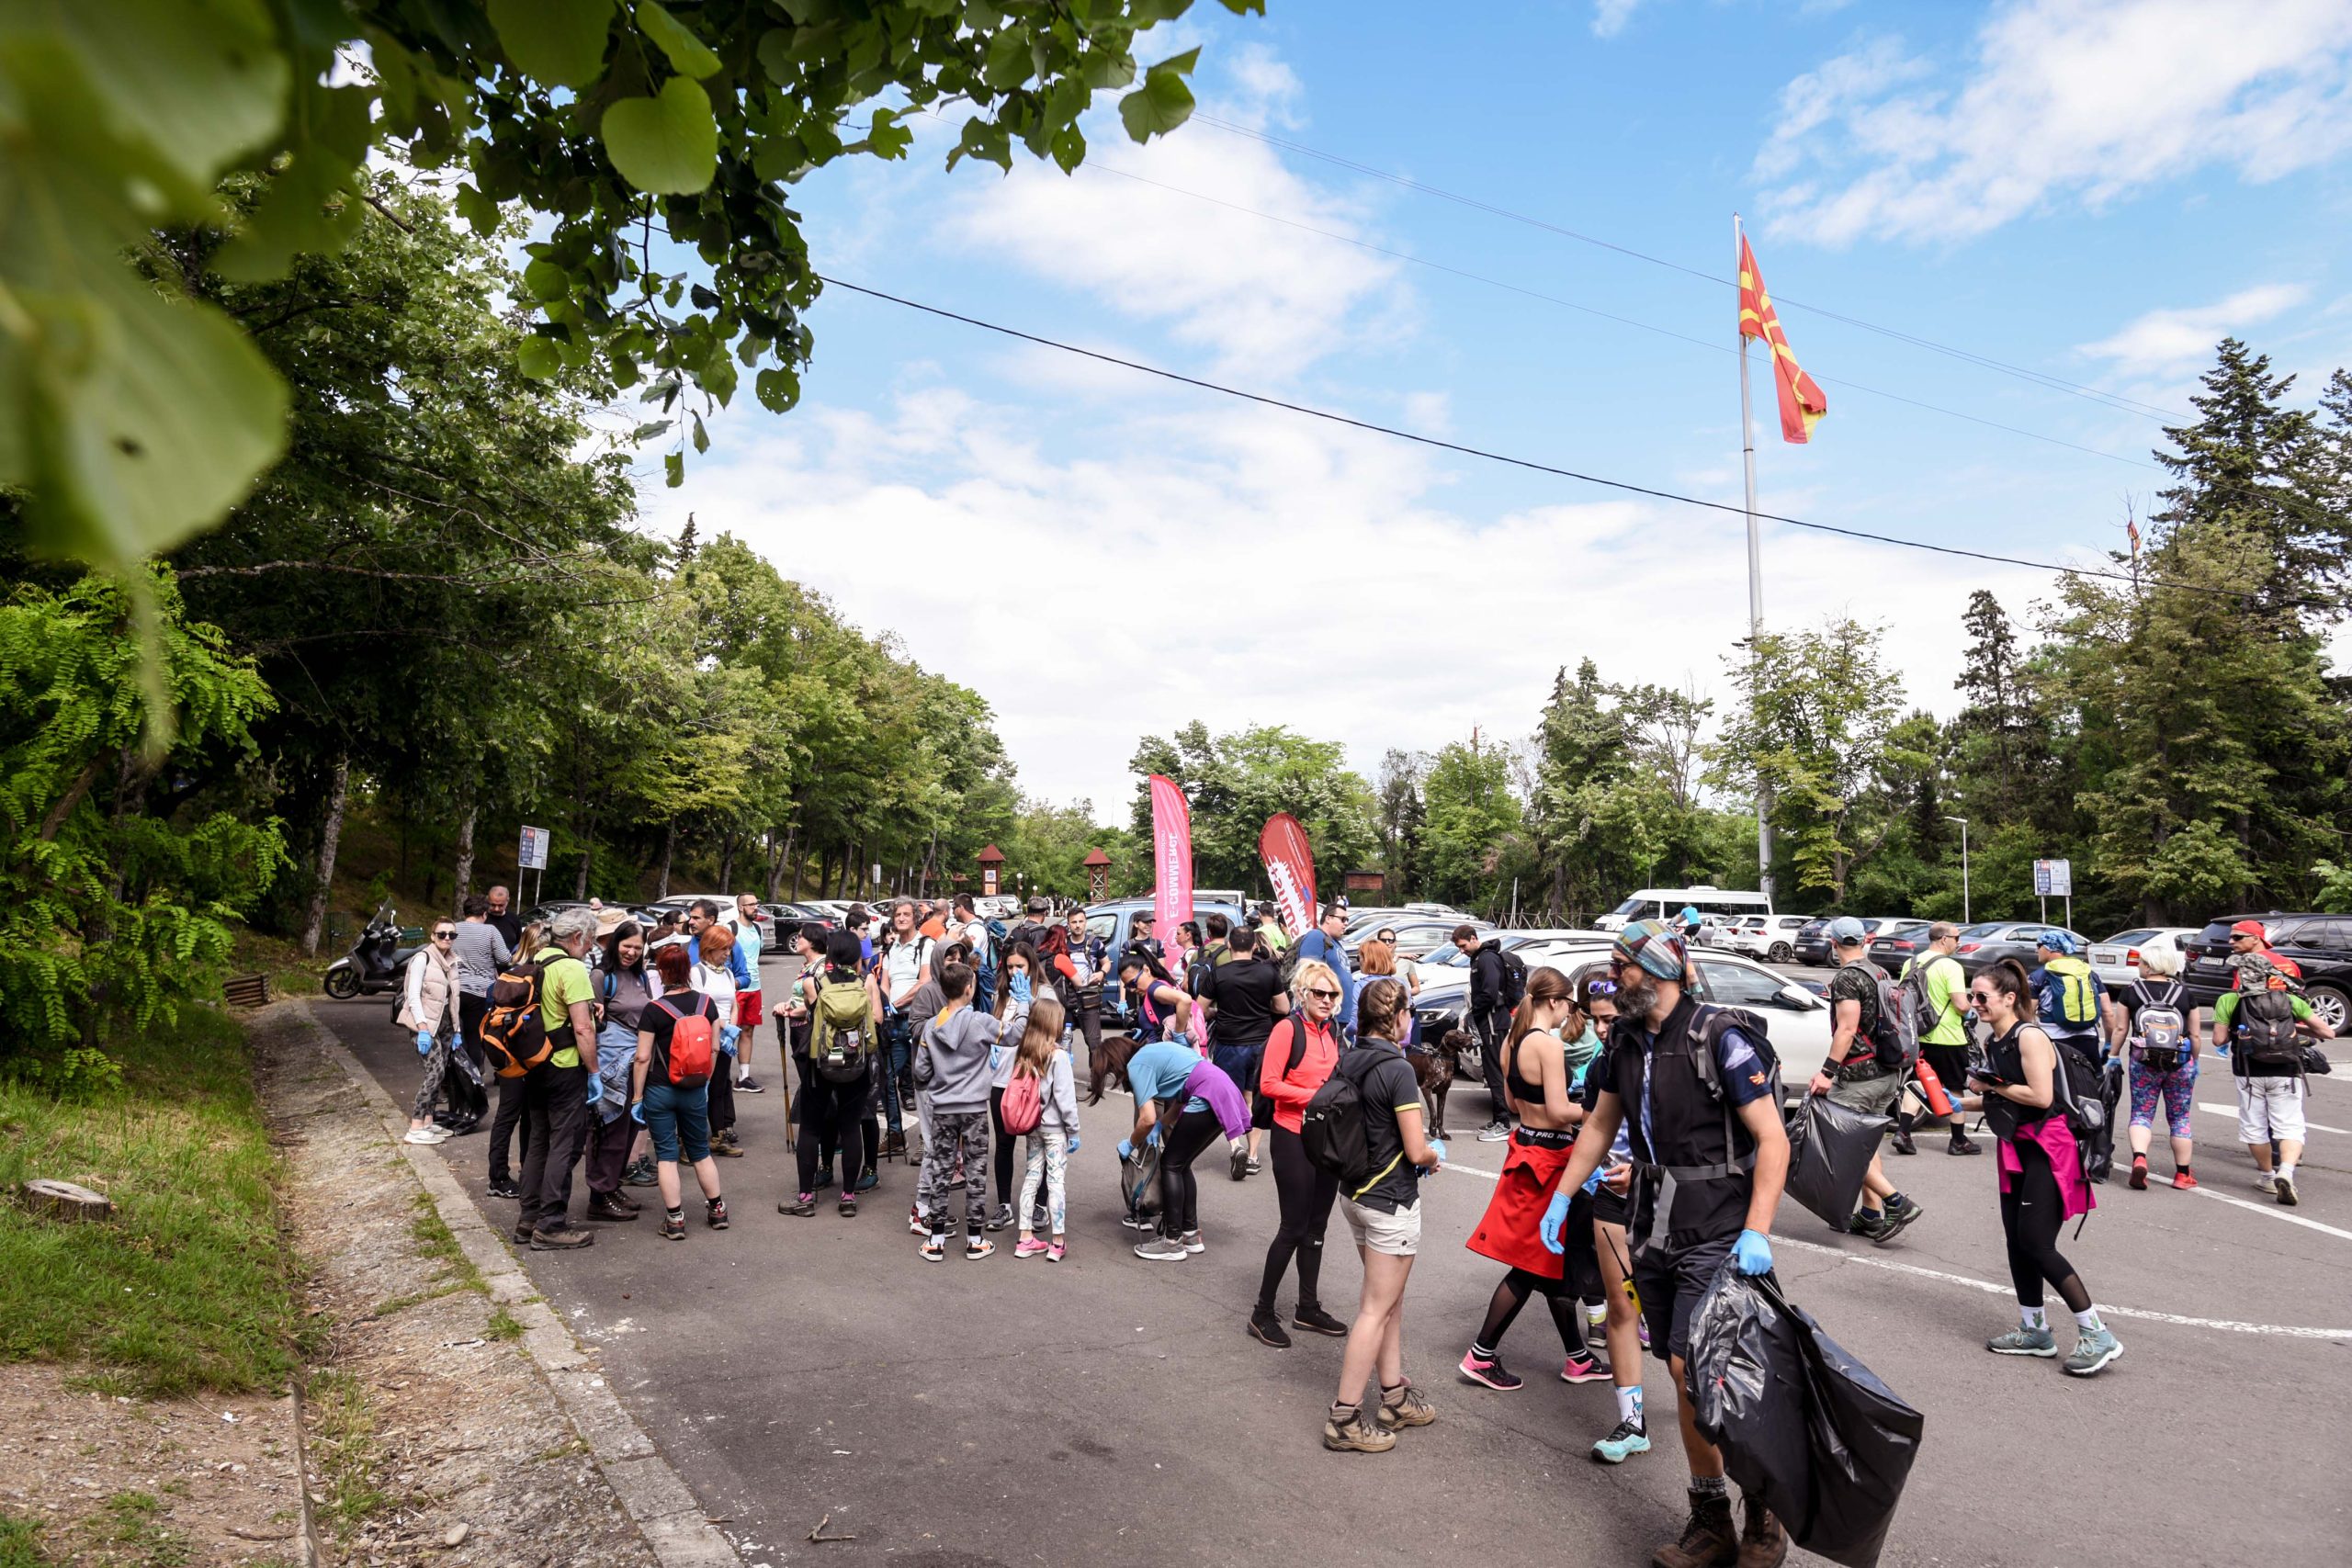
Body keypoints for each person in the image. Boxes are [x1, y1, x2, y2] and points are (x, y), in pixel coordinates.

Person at [1543, 919, 1791, 1567]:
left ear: (1656, 970)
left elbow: (1773, 1139)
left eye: (1620, 966)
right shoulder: (1624, 1043)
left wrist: (1757, 1230)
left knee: (1695, 1368)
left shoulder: (1719, 1037)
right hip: (1654, 1228)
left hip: (1721, 1230)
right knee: (1685, 1376)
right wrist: (1562, 1196)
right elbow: (1600, 1125)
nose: (1612, 978)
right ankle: (1712, 1520)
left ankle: (1762, 1508)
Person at [1960, 959, 2120, 1376]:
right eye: (1973, 996)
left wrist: (1991, 1085)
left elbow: (2040, 1096)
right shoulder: (1995, 1040)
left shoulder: (2028, 1036)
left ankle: (2097, 1333)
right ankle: (2034, 1330)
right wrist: (1956, 1102)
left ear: (2009, 998)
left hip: (2049, 1148)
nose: (1975, 1003)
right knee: (2016, 1242)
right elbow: (2002, 1098)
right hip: (2018, 1147)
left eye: (1982, 996)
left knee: (2036, 1243)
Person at [1459, 964, 1611, 1393]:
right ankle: (1481, 1354)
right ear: (1554, 1001)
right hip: (1550, 1158)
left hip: (1526, 1147)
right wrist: (1598, 1113)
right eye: (1570, 1005)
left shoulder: (1513, 1039)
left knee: (1548, 1262)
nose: (1571, 1013)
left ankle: (1578, 1357)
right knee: (1532, 1264)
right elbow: (1561, 1111)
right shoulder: (1547, 1044)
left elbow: (1511, 1102)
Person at [1322, 977, 1444, 1454]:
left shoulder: (1350, 1056)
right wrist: (1433, 1155)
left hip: (1354, 1193)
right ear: (1399, 1017)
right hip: (1390, 1201)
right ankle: (1344, 1418)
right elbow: (1416, 1149)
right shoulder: (1398, 1069)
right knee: (1376, 1309)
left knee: (1387, 1301)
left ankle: (1393, 1398)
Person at [1573, 973, 1653, 1466]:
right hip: (1612, 1199)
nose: (1602, 1029)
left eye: (1610, 1019)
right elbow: (1594, 1125)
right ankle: (1632, 1422)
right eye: (1595, 1020)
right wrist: (1572, 1189)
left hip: (1668, 1200)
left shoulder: (1666, 1057)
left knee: (1675, 1318)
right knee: (1623, 1308)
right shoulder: (1603, 1063)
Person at [1249, 959, 1347, 1349]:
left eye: (1332, 994)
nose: (1326, 1000)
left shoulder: (1333, 1030)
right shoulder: (1287, 1029)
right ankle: (1261, 1313)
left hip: (1327, 1137)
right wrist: (1317, 1096)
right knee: (1293, 1227)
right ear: (1302, 994)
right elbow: (1269, 1085)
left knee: (1317, 1227)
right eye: (1318, 993)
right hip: (1292, 1135)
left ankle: (1307, 1307)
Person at [1813, 917, 1921, 1243]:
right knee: (1866, 1144)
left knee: (1843, 1148)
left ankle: (1896, 1203)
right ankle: (1871, 1213)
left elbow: (1847, 1029)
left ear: (1833, 943)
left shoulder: (1848, 977)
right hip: (1887, 1072)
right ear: (1865, 941)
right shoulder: (1880, 973)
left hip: (1858, 1077)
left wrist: (1827, 1072)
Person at [2212, 951, 2335, 1206]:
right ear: (2268, 975)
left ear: (2242, 975)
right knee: (2290, 1126)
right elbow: (2328, 1032)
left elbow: (2218, 1040)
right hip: (2286, 1070)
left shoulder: (2228, 1000)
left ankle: (2268, 1177)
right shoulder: (2289, 1000)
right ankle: (2286, 1172)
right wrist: (2291, 1026)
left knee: (2255, 1127)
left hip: (2248, 1072)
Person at [628, 942, 729, 1241]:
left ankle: (675, 1220)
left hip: (660, 1089)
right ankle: (718, 1210)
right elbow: (715, 1047)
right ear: (688, 970)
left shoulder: (654, 1009)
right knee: (700, 1151)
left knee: (667, 1156)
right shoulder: (706, 1004)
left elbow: (642, 1057)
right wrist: (705, 1080)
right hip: (695, 1087)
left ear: (661, 972)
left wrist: (637, 1097)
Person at [514, 908, 603, 1250]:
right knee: (565, 1144)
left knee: (538, 1141)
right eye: (591, 940)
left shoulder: (536, 960)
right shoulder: (572, 968)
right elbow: (582, 1028)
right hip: (564, 1066)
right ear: (578, 937)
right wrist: (594, 1072)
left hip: (534, 1063)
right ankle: (551, 1224)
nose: (591, 946)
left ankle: (528, 1218)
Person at [1121, 1033, 1251, 1262]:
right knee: (1181, 1164)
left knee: (1170, 1165)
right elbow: (1179, 1101)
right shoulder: (1156, 1053)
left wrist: (1130, 1143)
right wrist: (1161, 1125)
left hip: (1207, 1093)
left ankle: (1172, 1241)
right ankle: (1190, 1234)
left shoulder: (1136, 1064)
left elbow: (1147, 1118)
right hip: (1222, 1089)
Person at [782, 927, 875, 1218]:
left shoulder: (813, 983)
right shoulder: (866, 981)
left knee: (811, 1127)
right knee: (851, 1127)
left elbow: (810, 1014)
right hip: (855, 1061)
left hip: (821, 1062)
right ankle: (848, 1197)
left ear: (831, 954)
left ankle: (805, 1197)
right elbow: (875, 1022)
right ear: (856, 955)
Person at [913, 961, 1001, 1261]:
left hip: (943, 1108)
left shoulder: (931, 1027)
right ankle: (975, 1239)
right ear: (969, 989)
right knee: (976, 1172)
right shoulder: (982, 1022)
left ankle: (936, 1239)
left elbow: (920, 1071)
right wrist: (1025, 1005)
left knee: (941, 1170)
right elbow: (1016, 1035)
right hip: (975, 1109)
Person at [2105, 941, 2199, 1190]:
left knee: (2141, 1113)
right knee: (2180, 1117)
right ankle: (2183, 1174)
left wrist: (2113, 1055)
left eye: (2141, 962)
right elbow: (2195, 1035)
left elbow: (2121, 1029)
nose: (2138, 966)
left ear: (2148, 966)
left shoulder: (2131, 991)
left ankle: (2140, 1158)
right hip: (2180, 1063)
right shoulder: (2184, 993)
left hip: (2143, 1061)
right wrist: (2195, 1061)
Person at [1198, 924, 1287, 1179]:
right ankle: (1253, 1155)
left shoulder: (1219, 974)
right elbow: (1283, 1007)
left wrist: (1218, 1011)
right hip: (1262, 1044)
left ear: (1229, 946)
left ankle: (1236, 1146)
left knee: (1229, 1096)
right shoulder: (1268, 972)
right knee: (1252, 1098)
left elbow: (1199, 1008)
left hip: (1229, 1043)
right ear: (1255, 946)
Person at [583, 922, 655, 1223]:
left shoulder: (641, 976)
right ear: (615, 943)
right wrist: (592, 1072)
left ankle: (612, 1186)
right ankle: (598, 1196)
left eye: (638, 947)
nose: (632, 952)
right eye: (627, 945)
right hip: (610, 1066)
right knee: (607, 1128)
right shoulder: (601, 976)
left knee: (628, 1129)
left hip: (636, 1063)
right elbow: (590, 1023)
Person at [1898, 922, 1979, 1156]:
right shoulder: (1950, 966)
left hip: (1918, 1035)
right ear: (1944, 939)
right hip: (1949, 1037)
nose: (1959, 942)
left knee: (1918, 1083)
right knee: (1955, 1087)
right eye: (1957, 938)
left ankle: (1903, 1133)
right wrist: (1971, 1009)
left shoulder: (1911, 962)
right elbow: (1961, 1004)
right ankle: (1958, 1140)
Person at [1010, 992, 1080, 1262]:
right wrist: (1074, 1131)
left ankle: (1025, 1237)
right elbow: (1066, 1099)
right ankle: (1057, 1241)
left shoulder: (1025, 1053)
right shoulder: (1058, 1056)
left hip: (1032, 1126)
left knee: (1031, 1177)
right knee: (1055, 1181)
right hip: (1055, 1129)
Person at [983, 942, 1044, 1229]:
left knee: (1037, 1144)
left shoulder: (1044, 993)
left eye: (1020, 966)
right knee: (1004, 1143)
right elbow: (994, 1029)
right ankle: (1004, 1205)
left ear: (1031, 965)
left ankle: (1040, 1205)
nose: (1014, 972)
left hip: (1031, 1079)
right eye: (1009, 967)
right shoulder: (1001, 995)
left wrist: (1029, 1004)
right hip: (1001, 1079)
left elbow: (1052, 1030)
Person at [873, 900, 935, 1159]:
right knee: (885, 1076)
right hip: (894, 1023)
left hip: (918, 1020)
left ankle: (927, 1139)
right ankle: (896, 1134)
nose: (900, 918)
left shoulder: (926, 945)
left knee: (924, 1080)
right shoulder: (891, 949)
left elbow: (925, 981)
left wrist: (896, 1003)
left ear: (916, 917)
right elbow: (884, 983)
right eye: (897, 914)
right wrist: (886, 1005)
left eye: (906, 914)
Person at [447, 895, 510, 1134]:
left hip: (454, 990)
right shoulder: (490, 931)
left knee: (455, 1035)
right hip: (479, 991)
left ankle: (452, 1083)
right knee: (475, 1038)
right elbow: (504, 958)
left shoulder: (452, 929)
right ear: (484, 914)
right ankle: (473, 1083)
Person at [398, 916, 464, 1145]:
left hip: (445, 1024)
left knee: (441, 1073)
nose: (447, 938)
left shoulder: (452, 961)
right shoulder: (422, 959)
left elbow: (454, 999)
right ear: (432, 936)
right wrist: (422, 1029)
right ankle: (415, 1127)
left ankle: (427, 1121)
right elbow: (413, 996)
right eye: (442, 934)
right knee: (434, 1074)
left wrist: (456, 1030)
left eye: (451, 934)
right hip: (425, 1025)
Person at [691, 919, 745, 1157]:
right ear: (710, 948)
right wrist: (723, 1026)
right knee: (701, 1087)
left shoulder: (728, 973)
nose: (728, 954)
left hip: (725, 1039)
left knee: (720, 1086)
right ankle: (692, 1138)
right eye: (724, 949)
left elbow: (733, 1004)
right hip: (705, 1037)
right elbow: (700, 1007)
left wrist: (731, 1027)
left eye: (729, 949)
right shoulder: (697, 973)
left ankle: (718, 1135)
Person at [1459, 925, 1513, 1141]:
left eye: (1463, 945)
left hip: (1493, 1023)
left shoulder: (1487, 959)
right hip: (1489, 1022)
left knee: (1495, 1072)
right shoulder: (1479, 958)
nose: (1462, 950)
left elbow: (1490, 993)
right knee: (1491, 1072)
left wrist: (1474, 1013)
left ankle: (1503, 1123)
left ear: (1473, 938)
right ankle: (1498, 1118)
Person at [727, 893, 768, 1094]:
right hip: (735, 987)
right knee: (729, 1031)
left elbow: (756, 956)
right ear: (741, 907)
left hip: (754, 987)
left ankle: (743, 1077)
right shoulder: (731, 928)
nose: (755, 907)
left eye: (756, 903)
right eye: (750, 904)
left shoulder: (758, 929)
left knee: (748, 1031)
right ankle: (720, 1075)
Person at [1292, 907, 1356, 1032]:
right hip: (1325, 1018)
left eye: (1347, 920)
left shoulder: (1334, 942)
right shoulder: (1316, 936)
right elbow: (1306, 975)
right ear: (1328, 919)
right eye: (1343, 919)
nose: (1346, 924)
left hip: (1337, 1017)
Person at [1119, 951, 1195, 1045]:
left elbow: (1185, 1000)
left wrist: (1178, 1035)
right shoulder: (1160, 984)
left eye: (1133, 983)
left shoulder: (1154, 989)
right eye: (1128, 986)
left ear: (1146, 970)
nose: (1132, 990)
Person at [484, 884, 523, 952]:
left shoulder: (514, 919)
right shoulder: (480, 918)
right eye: (493, 905)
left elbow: (518, 943)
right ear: (487, 900)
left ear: (507, 901)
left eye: (501, 905)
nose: (496, 909)